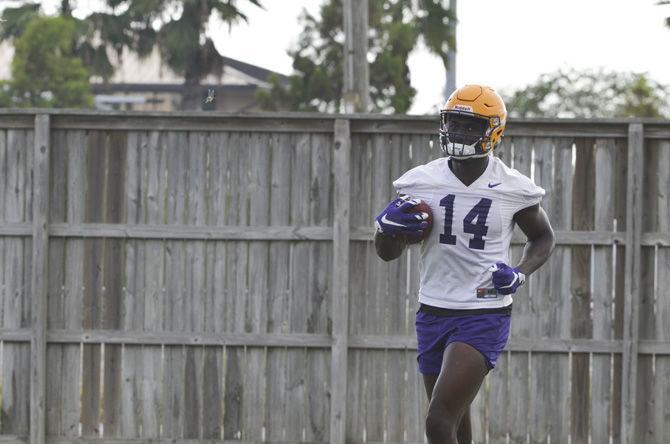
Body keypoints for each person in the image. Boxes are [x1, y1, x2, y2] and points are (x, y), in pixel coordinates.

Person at [373, 84, 555, 444]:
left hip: (482, 313)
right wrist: (384, 230)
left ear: (493, 131)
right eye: (454, 123)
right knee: (456, 424)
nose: (459, 133)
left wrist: (519, 273)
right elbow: (386, 253)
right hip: (432, 311)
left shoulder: (512, 186)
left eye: (471, 126)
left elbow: (543, 238)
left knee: (438, 420)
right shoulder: (420, 181)